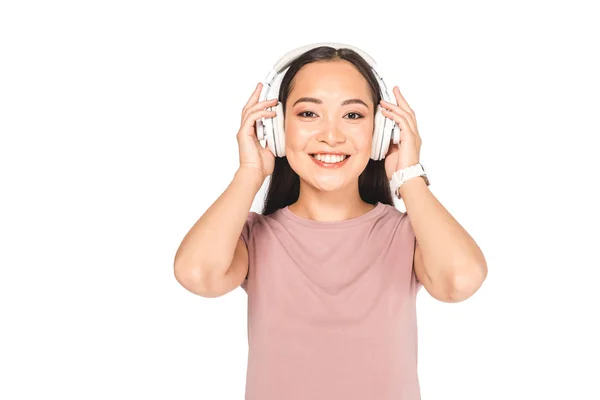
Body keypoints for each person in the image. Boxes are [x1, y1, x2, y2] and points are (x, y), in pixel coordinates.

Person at [173, 43, 488, 400]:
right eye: (309, 114)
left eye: (352, 116)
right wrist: (249, 172)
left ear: (381, 131)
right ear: (276, 130)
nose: (332, 135)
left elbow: (460, 281)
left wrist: (409, 175)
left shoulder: (408, 235)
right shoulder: (253, 238)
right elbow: (197, 274)